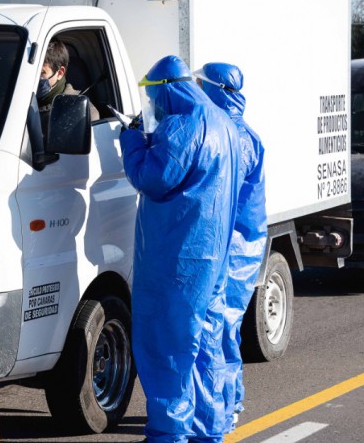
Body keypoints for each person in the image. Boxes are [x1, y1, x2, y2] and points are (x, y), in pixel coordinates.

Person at [119, 55, 241, 443]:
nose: (152, 104)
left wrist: (132, 141)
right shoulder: (223, 122)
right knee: (205, 345)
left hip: (179, 258)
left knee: (167, 345)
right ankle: (208, 430)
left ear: (168, 89)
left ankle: (169, 433)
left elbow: (152, 178)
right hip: (213, 256)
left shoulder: (183, 124)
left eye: (153, 95)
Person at [194, 62, 267, 434]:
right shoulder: (234, 131)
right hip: (236, 241)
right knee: (224, 325)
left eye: (201, 84)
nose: (197, 90)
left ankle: (226, 406)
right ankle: (228, 401)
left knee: (222, 326)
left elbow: (220, 193)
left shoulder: (233, 137)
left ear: (217, 91)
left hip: (236, 244)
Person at [37, 39, 99, 127]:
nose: (34, 77)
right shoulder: (20, 99)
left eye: (41, 73)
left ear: (60, 73)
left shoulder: (82, 113)